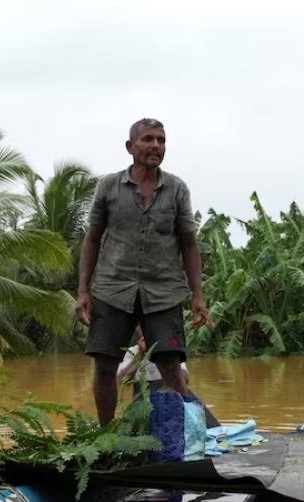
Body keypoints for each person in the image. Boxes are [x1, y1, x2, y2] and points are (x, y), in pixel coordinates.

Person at [75, 117, 214, 426]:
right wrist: (83, 291)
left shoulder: (177, 189)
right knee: (105, 367)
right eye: (148, 139)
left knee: (171, 368)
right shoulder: (109, 187)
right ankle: (106, 435)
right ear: (130, 147)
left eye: (161, 140)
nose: (156, 145)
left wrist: (198, 296)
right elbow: (93, 239)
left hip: (163, 292)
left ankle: (188, 437)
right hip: (113, 289)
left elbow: (189, 245)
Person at [117, 327, 220, 428]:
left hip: (171, 393)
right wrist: (140, 355)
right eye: (141, 327)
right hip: (144, 398)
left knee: (191, 401)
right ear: (137, 330)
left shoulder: (171, 349)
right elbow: (122, 379)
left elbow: (185, 379)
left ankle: (210, 429)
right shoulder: (131, 352)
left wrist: (168, 361)